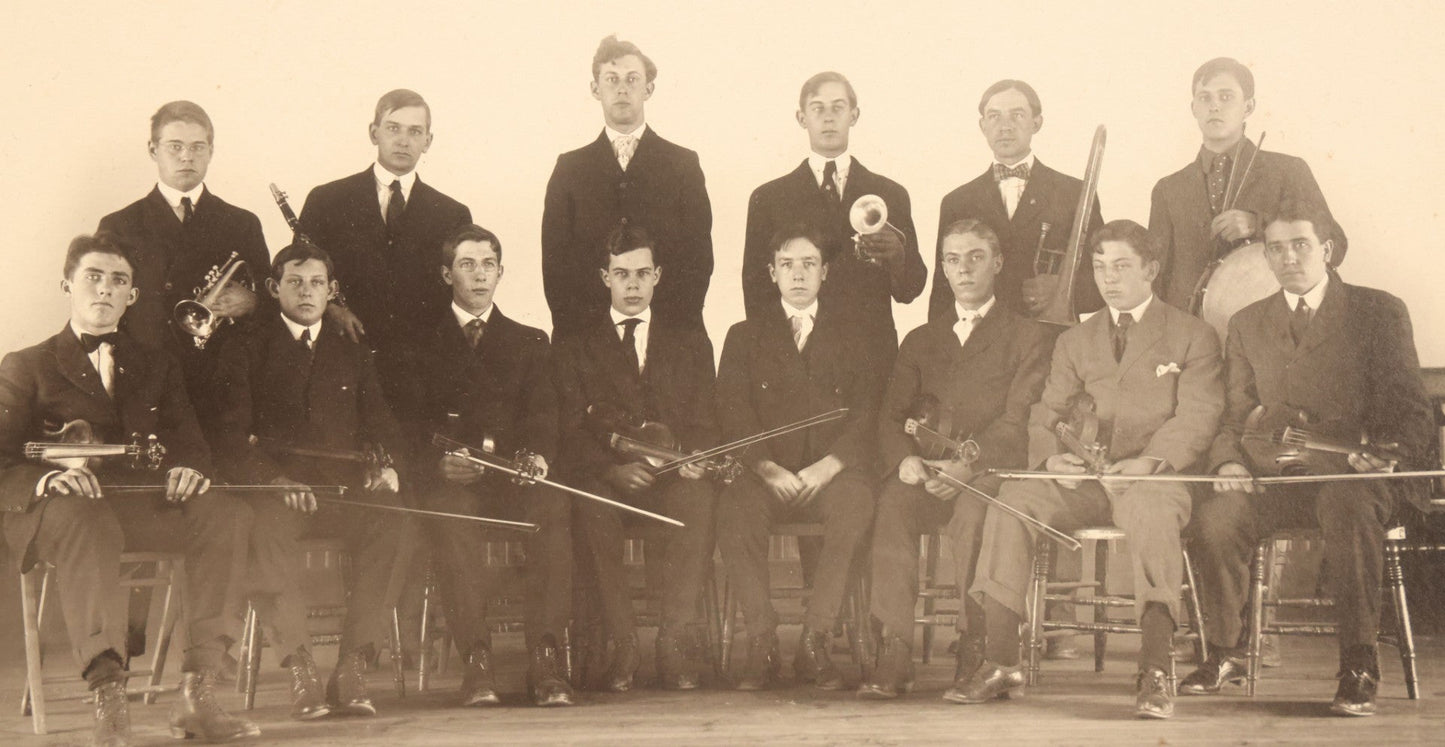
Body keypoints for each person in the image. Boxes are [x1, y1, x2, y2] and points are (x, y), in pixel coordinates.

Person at [0, 235, 258, 745]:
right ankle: (108, 695)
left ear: (132, 296)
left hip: (138, 505)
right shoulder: (24, 364)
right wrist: (50, 477)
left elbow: (190, 441)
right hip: (55, 510)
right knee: (87, 519)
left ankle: (199, 693)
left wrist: (189, 470)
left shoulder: (157, 363)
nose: (105, 289)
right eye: (93, 276)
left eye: (118, 280)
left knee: (227, 514)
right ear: (67, 285)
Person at [960, 220, 1223, 719]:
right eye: (1100, 267)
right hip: (1084, 480)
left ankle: (1154, 669)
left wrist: (1147, 463)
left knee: (1148, 513)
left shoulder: (1192, 334)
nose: (1109, 278)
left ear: (1151, 269)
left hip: (1153, 479)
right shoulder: (1075, 340)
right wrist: (1051, 460)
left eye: (1121, 266)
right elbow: (1046, 413)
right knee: (1012, 501)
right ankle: (999, 660)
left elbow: (1199, 415)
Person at [1179, 200, 1433, 717]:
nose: (1288, 257)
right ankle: (1226, 650)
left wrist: (1388, 455)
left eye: (1300, 245)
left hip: (1355, 479)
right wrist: (1229, 462)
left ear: (1328, 250)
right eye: (1276, 248)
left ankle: (1358, 662)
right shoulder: (1249, 322)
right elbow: (1235, 414)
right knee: (1217, 517)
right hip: (1280, 481)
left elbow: (1411, 409)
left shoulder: (1378, 310)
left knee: (1346, 504)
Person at [211, 241, 406, 721]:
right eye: (295, 282)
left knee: (394, 522)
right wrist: (274, 480)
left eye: (317, 282)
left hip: (342, 490)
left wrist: (389, 466)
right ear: (274, 288)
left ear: (332, 291)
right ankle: (300, 666)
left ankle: (353, 664)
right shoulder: (244, 344)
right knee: (264, 531)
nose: (306, 291)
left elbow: (380, 421)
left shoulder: (352, 350)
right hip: (277, 491)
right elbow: (229, 435)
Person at [858, 219, 1052, 700]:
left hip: (986, 476)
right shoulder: (921, 339)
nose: (963, 269)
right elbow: (891, 417)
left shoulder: (1027, 337)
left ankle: (975, 643)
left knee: (973, 514)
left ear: (998, 263)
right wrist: (905, 461)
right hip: (926, 475)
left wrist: (968, 465)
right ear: (942, 268)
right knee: (892, 504)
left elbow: (1018, 421)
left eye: (975, 257)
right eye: (951, 259)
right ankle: (896, 647)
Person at [716, 224, 885, 691]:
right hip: (766, 475)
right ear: (771, 273)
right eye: (787, 264)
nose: (798, 274)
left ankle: (816, 640)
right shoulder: (744, 335)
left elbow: (868, 411)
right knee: (732, 509)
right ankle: (762, 640)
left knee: (857, 505)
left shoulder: (855, 335)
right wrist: (767, 468)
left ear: (825, 273)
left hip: (831, 475)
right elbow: (732, 413)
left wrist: (830, 465)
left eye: (809, 264)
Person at [552, 224, 719, 691]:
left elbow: (705, 423)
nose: (632, 284)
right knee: (590, 503)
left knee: (698, 501)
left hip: (671, 477)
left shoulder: (691, 342)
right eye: (621, 273)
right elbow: (568, 431)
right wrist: (612, 470)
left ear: (658, 276)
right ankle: (620, 641)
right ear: (604, 277)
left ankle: (675, 640)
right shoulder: (573, 346)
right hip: (608, 479)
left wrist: (690, 459)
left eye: (642, 273)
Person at [418, 224, 574, 707]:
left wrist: (537, 456)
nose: (479, 275)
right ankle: (477, 661)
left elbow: (545, 414)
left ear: (501, 272)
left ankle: (546, 658)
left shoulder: (529, 340)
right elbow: (405, 423)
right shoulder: (418, 340)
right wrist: (439, 464)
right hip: (454, 482)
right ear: (447, 273)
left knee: (552, 505)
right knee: (451, 514)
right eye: (467, 264)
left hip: (512, 476)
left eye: (488, 264)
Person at [295, 88, 472, 422]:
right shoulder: (325, 199)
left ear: (428, 141)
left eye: (415, 131)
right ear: (373, 132)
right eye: (393, 128)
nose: (403, 140)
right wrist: (331, 307)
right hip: (339, 357)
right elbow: (298, 279)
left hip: (418, 372)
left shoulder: (453, 214)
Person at [96, 100, 270, 420]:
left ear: (211, 151)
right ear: (153, 150)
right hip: (148, 383)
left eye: (197, 147)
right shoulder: (119, 226)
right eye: (175, 146)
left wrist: (253, 302)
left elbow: (273, 307)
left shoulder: (243, 223)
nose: (187, 156)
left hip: (223, 384)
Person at [741, 71, 928, 364]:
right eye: (818, 108)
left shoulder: (891, 193)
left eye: (838, 108)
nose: (828, 118)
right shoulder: (767, 198)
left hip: (870, 356)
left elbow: (910, 290)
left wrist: (898, 257)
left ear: (854, 115)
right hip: (802, 355)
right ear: (802, 118)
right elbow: (756, 291)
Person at [543, 34, 713, 341]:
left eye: (632, 79)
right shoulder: (569, 168)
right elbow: (555, 265)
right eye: (612, 79)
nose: (622, 88)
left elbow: (698, 259)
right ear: (595, 89)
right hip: (588, 339)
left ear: (648, 89)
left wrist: (669, 330)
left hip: (669, 333)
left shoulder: (683, 164)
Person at [1149, 57, 1347, 313]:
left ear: (1249, 106)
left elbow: (1336, 246)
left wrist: (1259, 225)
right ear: (1193, 108)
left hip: (1274, 333)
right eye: (1205, 98)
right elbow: (1154, 279)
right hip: (1193, 339)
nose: (1214, 106)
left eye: (1226, 96)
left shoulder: (1287, 171)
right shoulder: (1168, 189)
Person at [928, 80, 1104, 322]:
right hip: (980, 340)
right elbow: (943, 290)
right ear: (982, 126)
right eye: (994, 117)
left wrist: (1064, 288)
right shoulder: (957, 201)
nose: (1005, 127)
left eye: (1017, 115)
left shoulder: (1074, 193)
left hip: (1049, 340)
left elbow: (1105, 278)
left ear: (1037, 123)